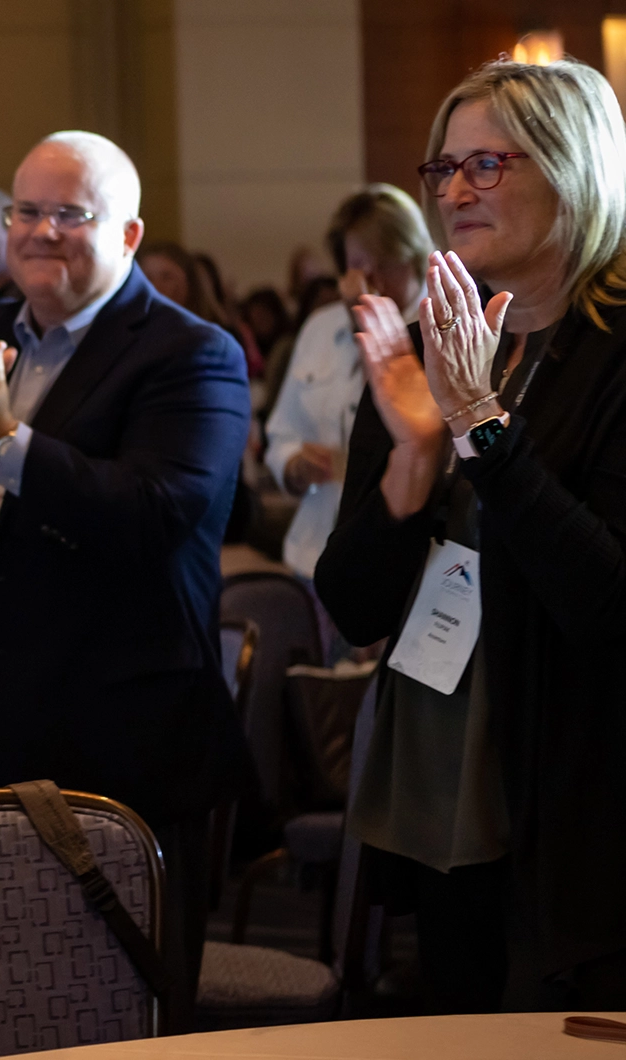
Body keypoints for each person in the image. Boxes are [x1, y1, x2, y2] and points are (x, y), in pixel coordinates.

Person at [0, 131, 252, 1028]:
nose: (40, 231)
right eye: (24, 210)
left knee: (117, 995)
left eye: (69, 213)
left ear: (128, 234)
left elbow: (152, 513)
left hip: (117, 726)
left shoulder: (190, 354)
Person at [318, 58, 626, 1013]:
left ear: (574, 167)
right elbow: (355, 605)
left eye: (487, 165)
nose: (453, 191)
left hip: (586, 804)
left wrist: (482, 430)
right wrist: (415, 457)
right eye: (442, 168)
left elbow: (611, 607)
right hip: (444, 785)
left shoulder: (615, 356)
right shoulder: (431, 342)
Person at [265, 184, 431, 581]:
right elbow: (281, 435)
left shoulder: (438, 329)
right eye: (358, 265)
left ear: (415, 259)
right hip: (316, 548)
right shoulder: (322, 329)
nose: (369, 280)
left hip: (408, 558)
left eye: (384, 263)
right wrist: (295, 465)